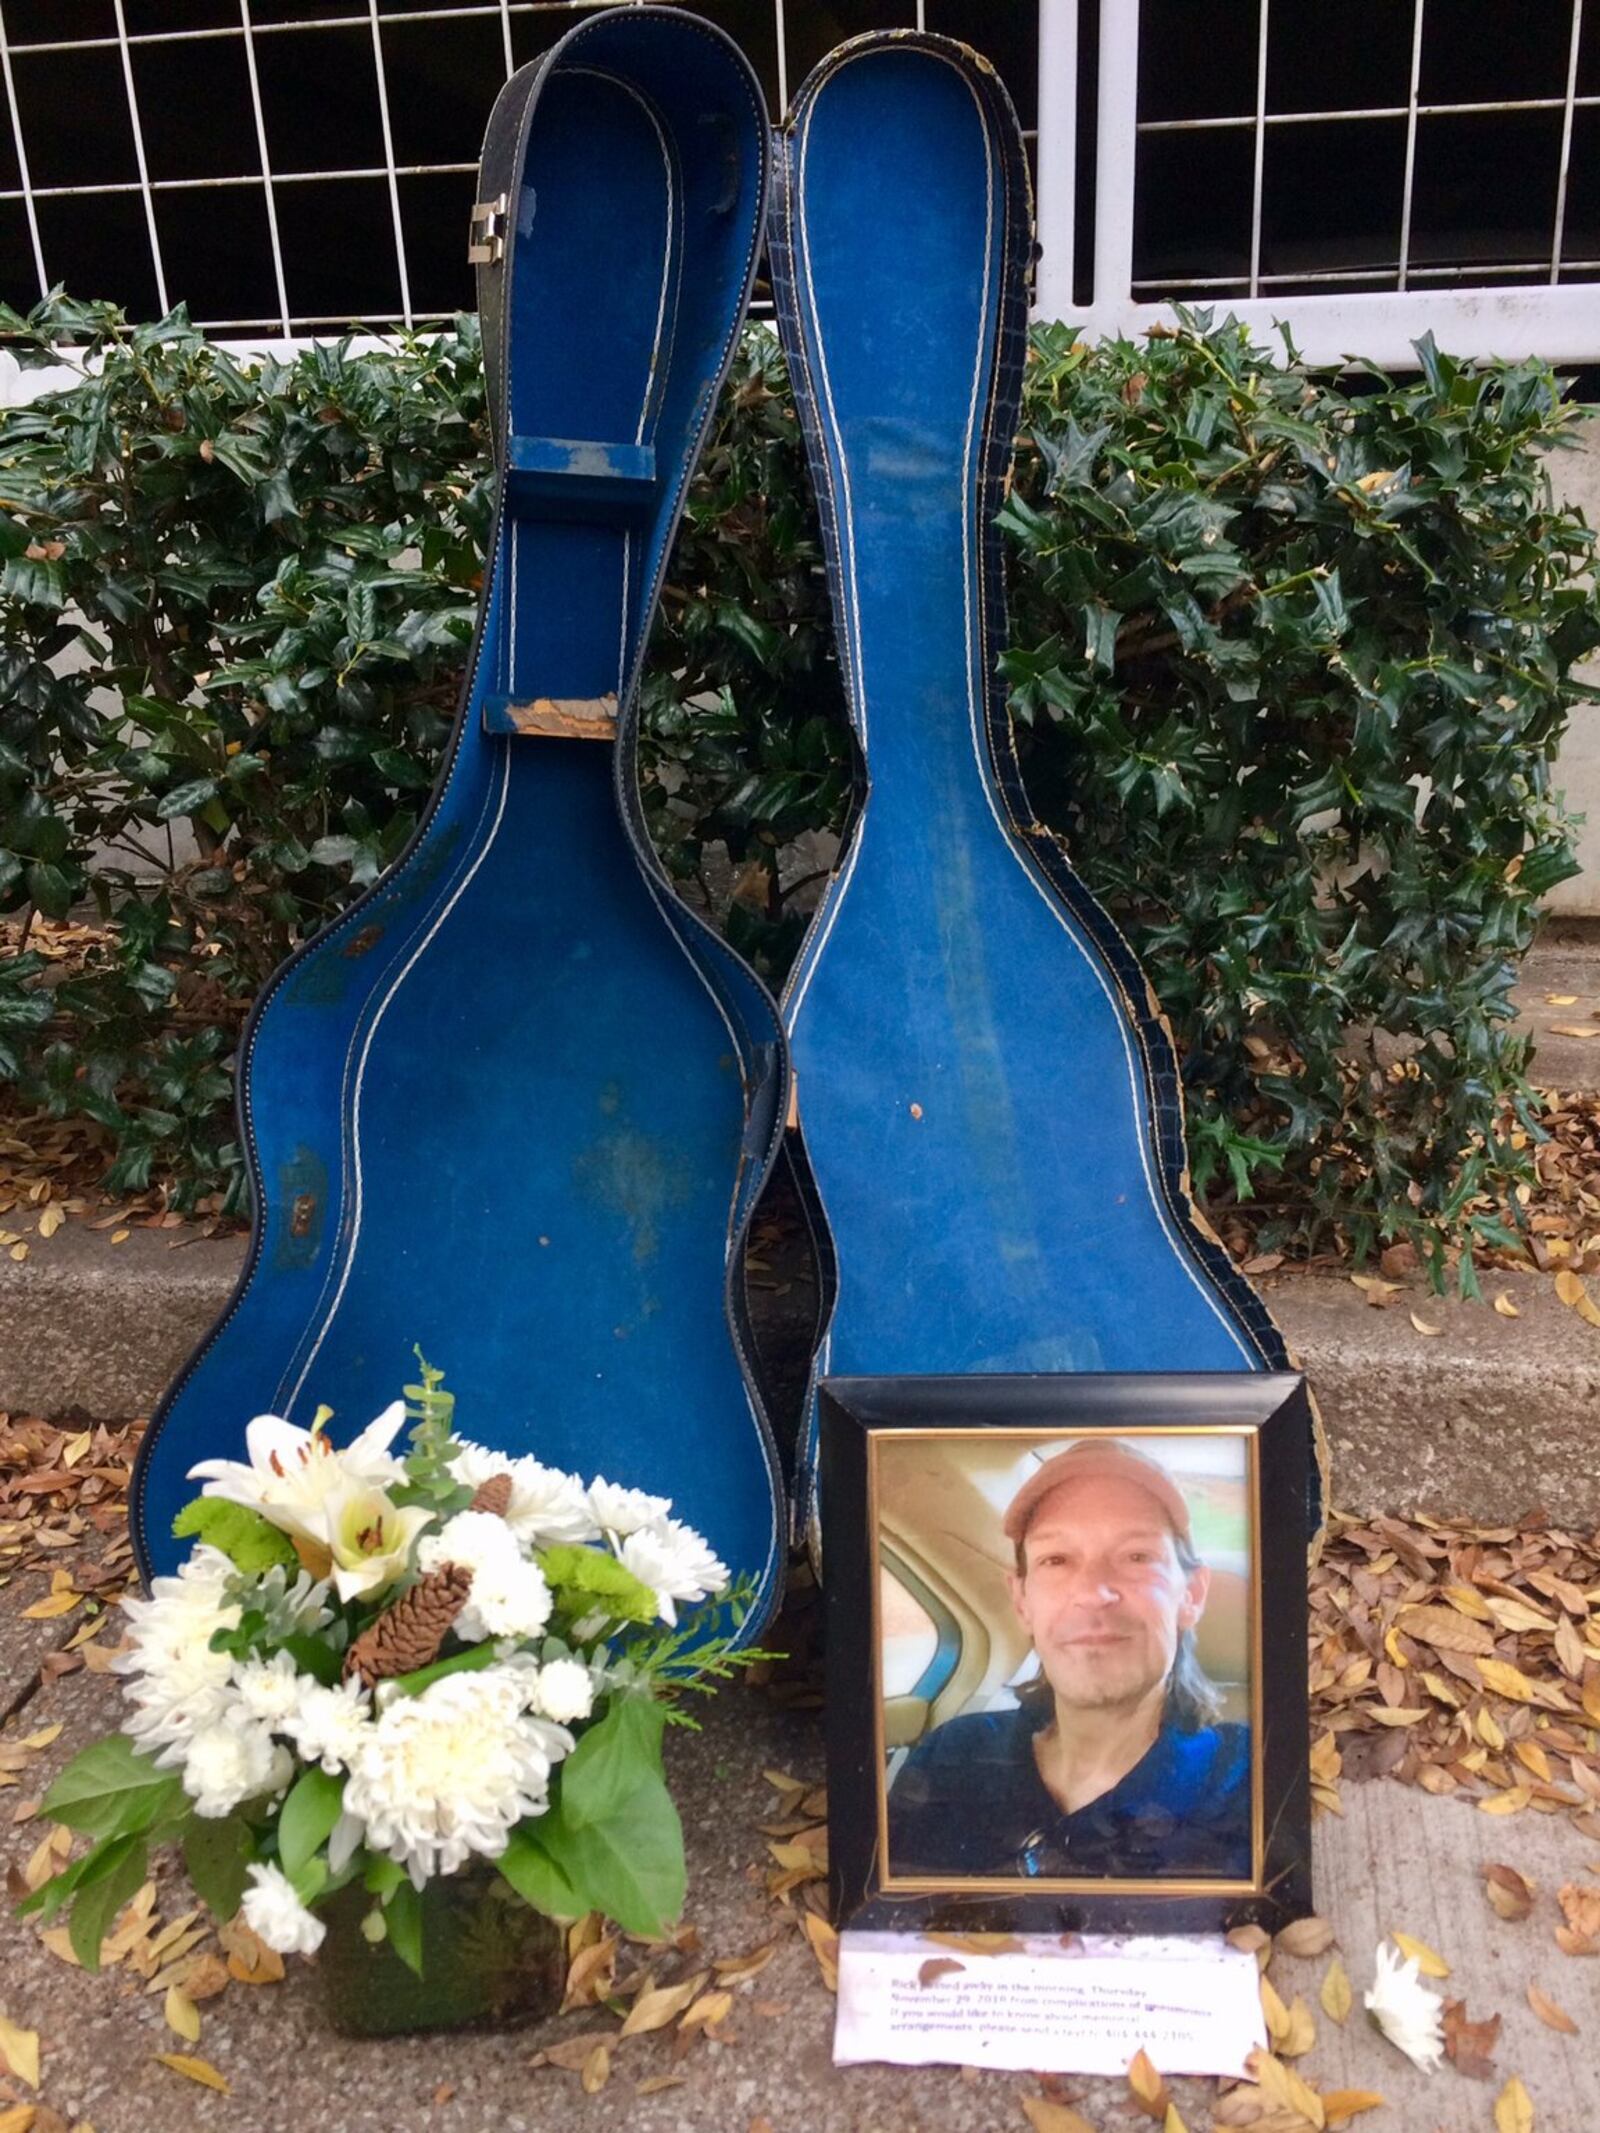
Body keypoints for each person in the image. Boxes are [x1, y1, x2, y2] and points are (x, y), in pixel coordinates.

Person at [886, 1437, 1253, 1881]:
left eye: (1137, 1556)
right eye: (1056, 1559)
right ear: (1022, 1601)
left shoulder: (1249, 1778)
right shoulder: (950, 1758)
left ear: (1191, 1596)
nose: (1093, 1593)